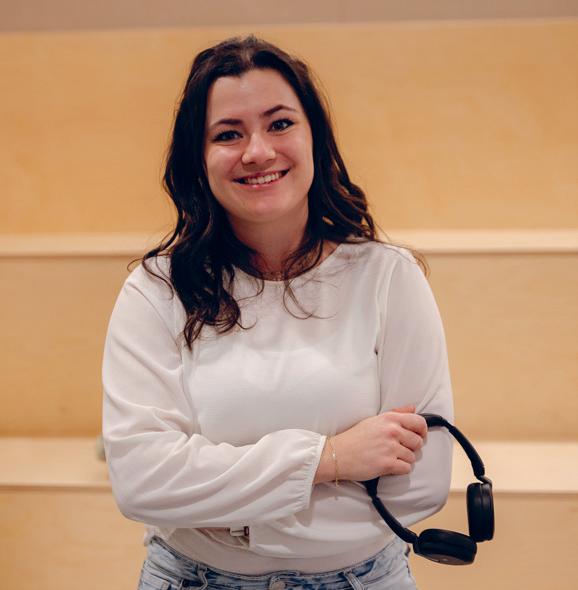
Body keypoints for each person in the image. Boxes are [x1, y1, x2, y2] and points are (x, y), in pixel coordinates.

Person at [102, 35, 454, 590]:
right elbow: (143, 481)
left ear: (316, 137)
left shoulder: (390, 277)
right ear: (199, 158)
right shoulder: (155, 290)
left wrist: (234, 517)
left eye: (280, 123)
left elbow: (420, 486)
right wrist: (332, 459)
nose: (258, 152)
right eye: (228, 134)